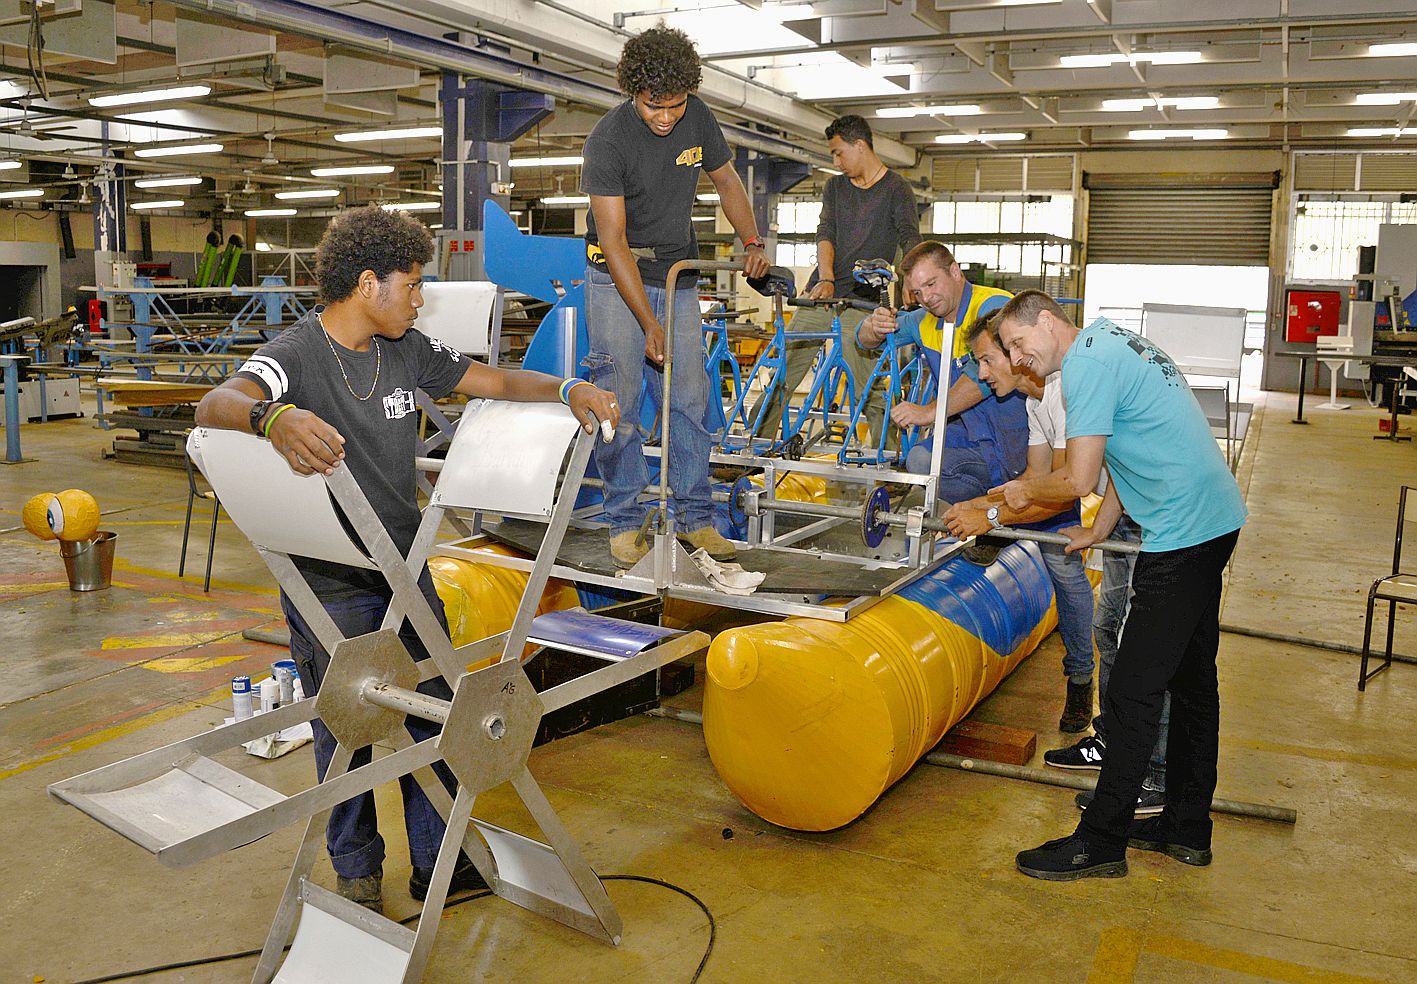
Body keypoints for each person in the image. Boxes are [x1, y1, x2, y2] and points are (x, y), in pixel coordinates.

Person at [194, 205, 616, 913]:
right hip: (328, 581)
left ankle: (436, 864)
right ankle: (355, 867)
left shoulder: (407, 349)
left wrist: (565, 387)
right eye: (413, 283)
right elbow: (217, 402)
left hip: (404, 566)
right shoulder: (295, 354)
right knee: (347, 730)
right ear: (368, 283)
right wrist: (274, 415)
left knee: (436, 716)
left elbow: (495, 381)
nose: (420, 298)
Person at [992, 290, 1246, 882]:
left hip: (1184, 534)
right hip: (1213, 519)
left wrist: (1026, 492)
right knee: (1190, 682)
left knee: (1133, 691)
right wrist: (1097, 532)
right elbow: (1125, 461)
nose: (1020, 359)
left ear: (1048, 322)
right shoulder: (1111, 343)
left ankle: (1101, 842)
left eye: (1019, 345)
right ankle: (1186, 826)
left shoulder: (1086, 366)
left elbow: (1078, 476)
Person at [581, 25, 771, 568]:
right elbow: (613, 240)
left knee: (688, 397)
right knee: (617, 398)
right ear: (633, 93)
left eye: (675, 105)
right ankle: (624, 518)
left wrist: (752, 239)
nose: (665, 117)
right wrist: (648, 323)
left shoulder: (699, 117)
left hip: (678, 275)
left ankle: (695, 518)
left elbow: (728, 181)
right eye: (652, 106)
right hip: (617, 276)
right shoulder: (608, 139)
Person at [942, 316, 1096, 734]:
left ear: (1016, 355)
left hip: (1141, 512)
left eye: (988, 360)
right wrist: (978, 503)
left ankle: (1082, 680)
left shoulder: (1065, 394)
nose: (983, 374)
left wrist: (989, 518)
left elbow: (1062, 492)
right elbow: (1034, 476)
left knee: (1068, 573)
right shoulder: (1033, 402)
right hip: (1059, 493)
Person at [751, 114, 921, 443]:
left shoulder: (897, 189)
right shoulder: (835, 187)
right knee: (785, 370)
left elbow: (909, 239)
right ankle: (753, 445)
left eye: (838, 152)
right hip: (825, 293)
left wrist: (912, 281)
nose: (835, 160)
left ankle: (890, 461)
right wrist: (825, 278)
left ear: (860, 146)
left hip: (865, 301)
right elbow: (825, 232)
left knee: (868, 386)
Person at [857, 240, 1019, 502]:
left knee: (1043, 519)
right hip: (967, 432)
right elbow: (864, 340)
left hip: (1014, 433)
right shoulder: (925, 320)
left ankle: (996, 517)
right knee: (920, 461)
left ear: (955, 272)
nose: (927, 298)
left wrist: (929, 411)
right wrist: (873, 325)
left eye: (931, 284)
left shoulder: (994, 306)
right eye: (917, 292)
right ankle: (982, 521)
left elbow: (983, 377)